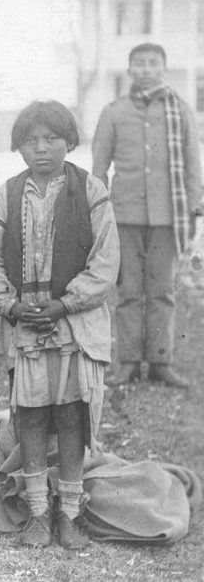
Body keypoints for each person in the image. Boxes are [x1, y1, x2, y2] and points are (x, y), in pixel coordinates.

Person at [0, 101, 120, 549]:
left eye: (51, 138)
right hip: (25, 325)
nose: (41, 148)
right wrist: (11, 306)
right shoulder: (6, 194)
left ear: (69, 141)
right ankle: (39, 512)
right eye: (30, 140)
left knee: (71, 412)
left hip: (74, 324)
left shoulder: (91, 189)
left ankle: (70, 512)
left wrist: (64, 304)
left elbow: (105, 264)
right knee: (33, 415)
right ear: (18, 146)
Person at [92, 43, 202, 388]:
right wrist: (99, 210)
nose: (146, 68)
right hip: (124, 215)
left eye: (153, 63)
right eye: (139, 63)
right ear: (129, 70)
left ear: (163, 69)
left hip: (168, 217)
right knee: (129, 291)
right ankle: (126, 362)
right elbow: (98, 168)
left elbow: (192, 163)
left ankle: (159, 361)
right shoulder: (113, 111)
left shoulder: (180, 111)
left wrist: (194, 203)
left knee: (161, 291)